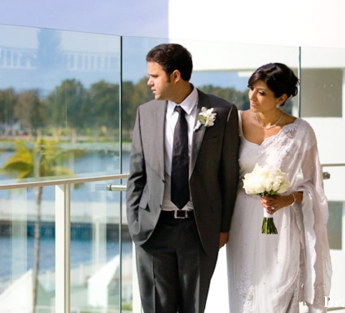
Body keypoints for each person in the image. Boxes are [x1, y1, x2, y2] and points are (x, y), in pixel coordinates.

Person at [126, 43, 240, 313]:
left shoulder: (222, 112)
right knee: (156, 308)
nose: (148, 82)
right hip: (152, 230)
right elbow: (136, 174)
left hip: (198, 231)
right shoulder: (146, 113)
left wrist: (222, 228)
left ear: (175, 76)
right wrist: (135, 223)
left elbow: (229, 176)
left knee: (194, 307)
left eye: (154, 76)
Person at [226, 62, 332, 312]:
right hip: (242, 222)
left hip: (282, 224)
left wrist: (287, 199)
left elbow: (313, 186)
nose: (252, 96)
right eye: (251, 88)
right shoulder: (235, 122)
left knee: (279, 292)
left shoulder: (301, 131)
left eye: (261, 92)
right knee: (246, 294)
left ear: (281, 98)